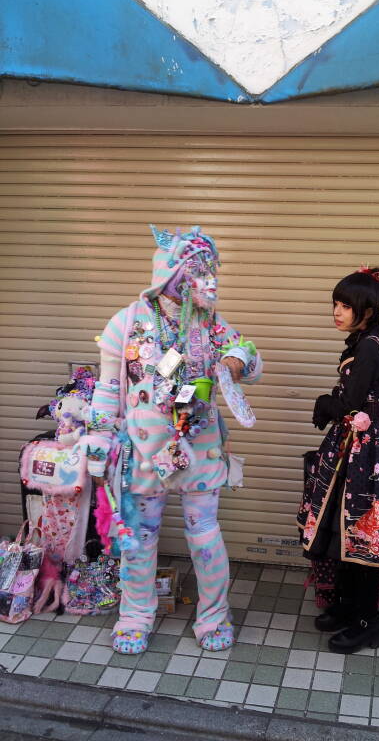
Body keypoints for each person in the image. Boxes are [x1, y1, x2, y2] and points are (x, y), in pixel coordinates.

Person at [85, 225, 262, 654]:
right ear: (171, 275)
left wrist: (237, 359)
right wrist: (97, 447)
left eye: (212, 270)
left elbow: (251, 361)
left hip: (200, 447)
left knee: (204, 533)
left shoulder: (213, 325)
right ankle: (135, 615)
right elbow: (108, 390)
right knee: (140, 537)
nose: (211, 281)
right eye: (200, 271)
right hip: (143, 452)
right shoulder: (125, 323)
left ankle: (214, 616)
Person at [297, 266, 379, 654]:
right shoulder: (369, 342)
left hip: (368, 454)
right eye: (335, 304)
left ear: (368, 309)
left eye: (345, 305)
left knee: (362, 532)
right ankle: (348, 606)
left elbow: (349, 404)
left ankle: (368, 621)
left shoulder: (369, 347)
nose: (337, 312)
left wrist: (324, 404)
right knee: (348, 532)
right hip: (359, 448)